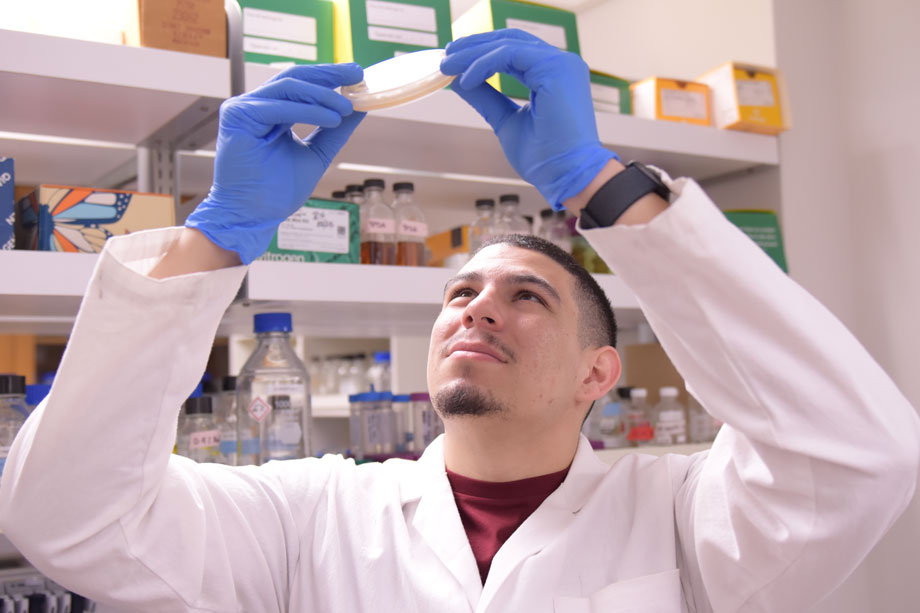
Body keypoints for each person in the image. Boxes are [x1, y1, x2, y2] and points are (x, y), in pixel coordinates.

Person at [0, 29, 917, 612]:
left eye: (529, 295)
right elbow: (71, 521)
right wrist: (214, 236)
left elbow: (857, 452)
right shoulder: (306, 513)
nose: (478, 303)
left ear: (601, 373)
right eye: (460, 294)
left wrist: (601, 188)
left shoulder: (682, 514)